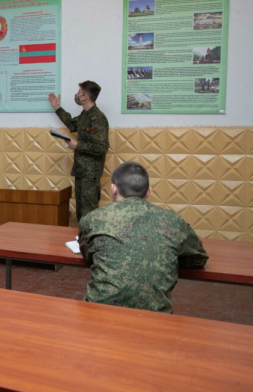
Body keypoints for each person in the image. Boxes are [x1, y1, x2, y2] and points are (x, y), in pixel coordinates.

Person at [78, 161, 209, 313]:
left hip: (98, 313)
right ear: (148, 192)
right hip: (156, 317)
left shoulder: (93, 219)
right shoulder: (173, 221)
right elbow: (198, 259)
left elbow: (88, 255)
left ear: (113, 189)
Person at [49, 81, 109, 221]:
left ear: (85, 96)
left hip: (90, 174)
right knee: (81, 213)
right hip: (81, 171)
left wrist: (77, 145)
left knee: (89, 215)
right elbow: (72, 124)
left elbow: (101, 147)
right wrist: (57, 108)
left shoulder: (98, 118)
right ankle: (81, 236)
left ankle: (89, 236)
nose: (76, 95)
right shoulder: (85, 115)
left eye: (79, 92)